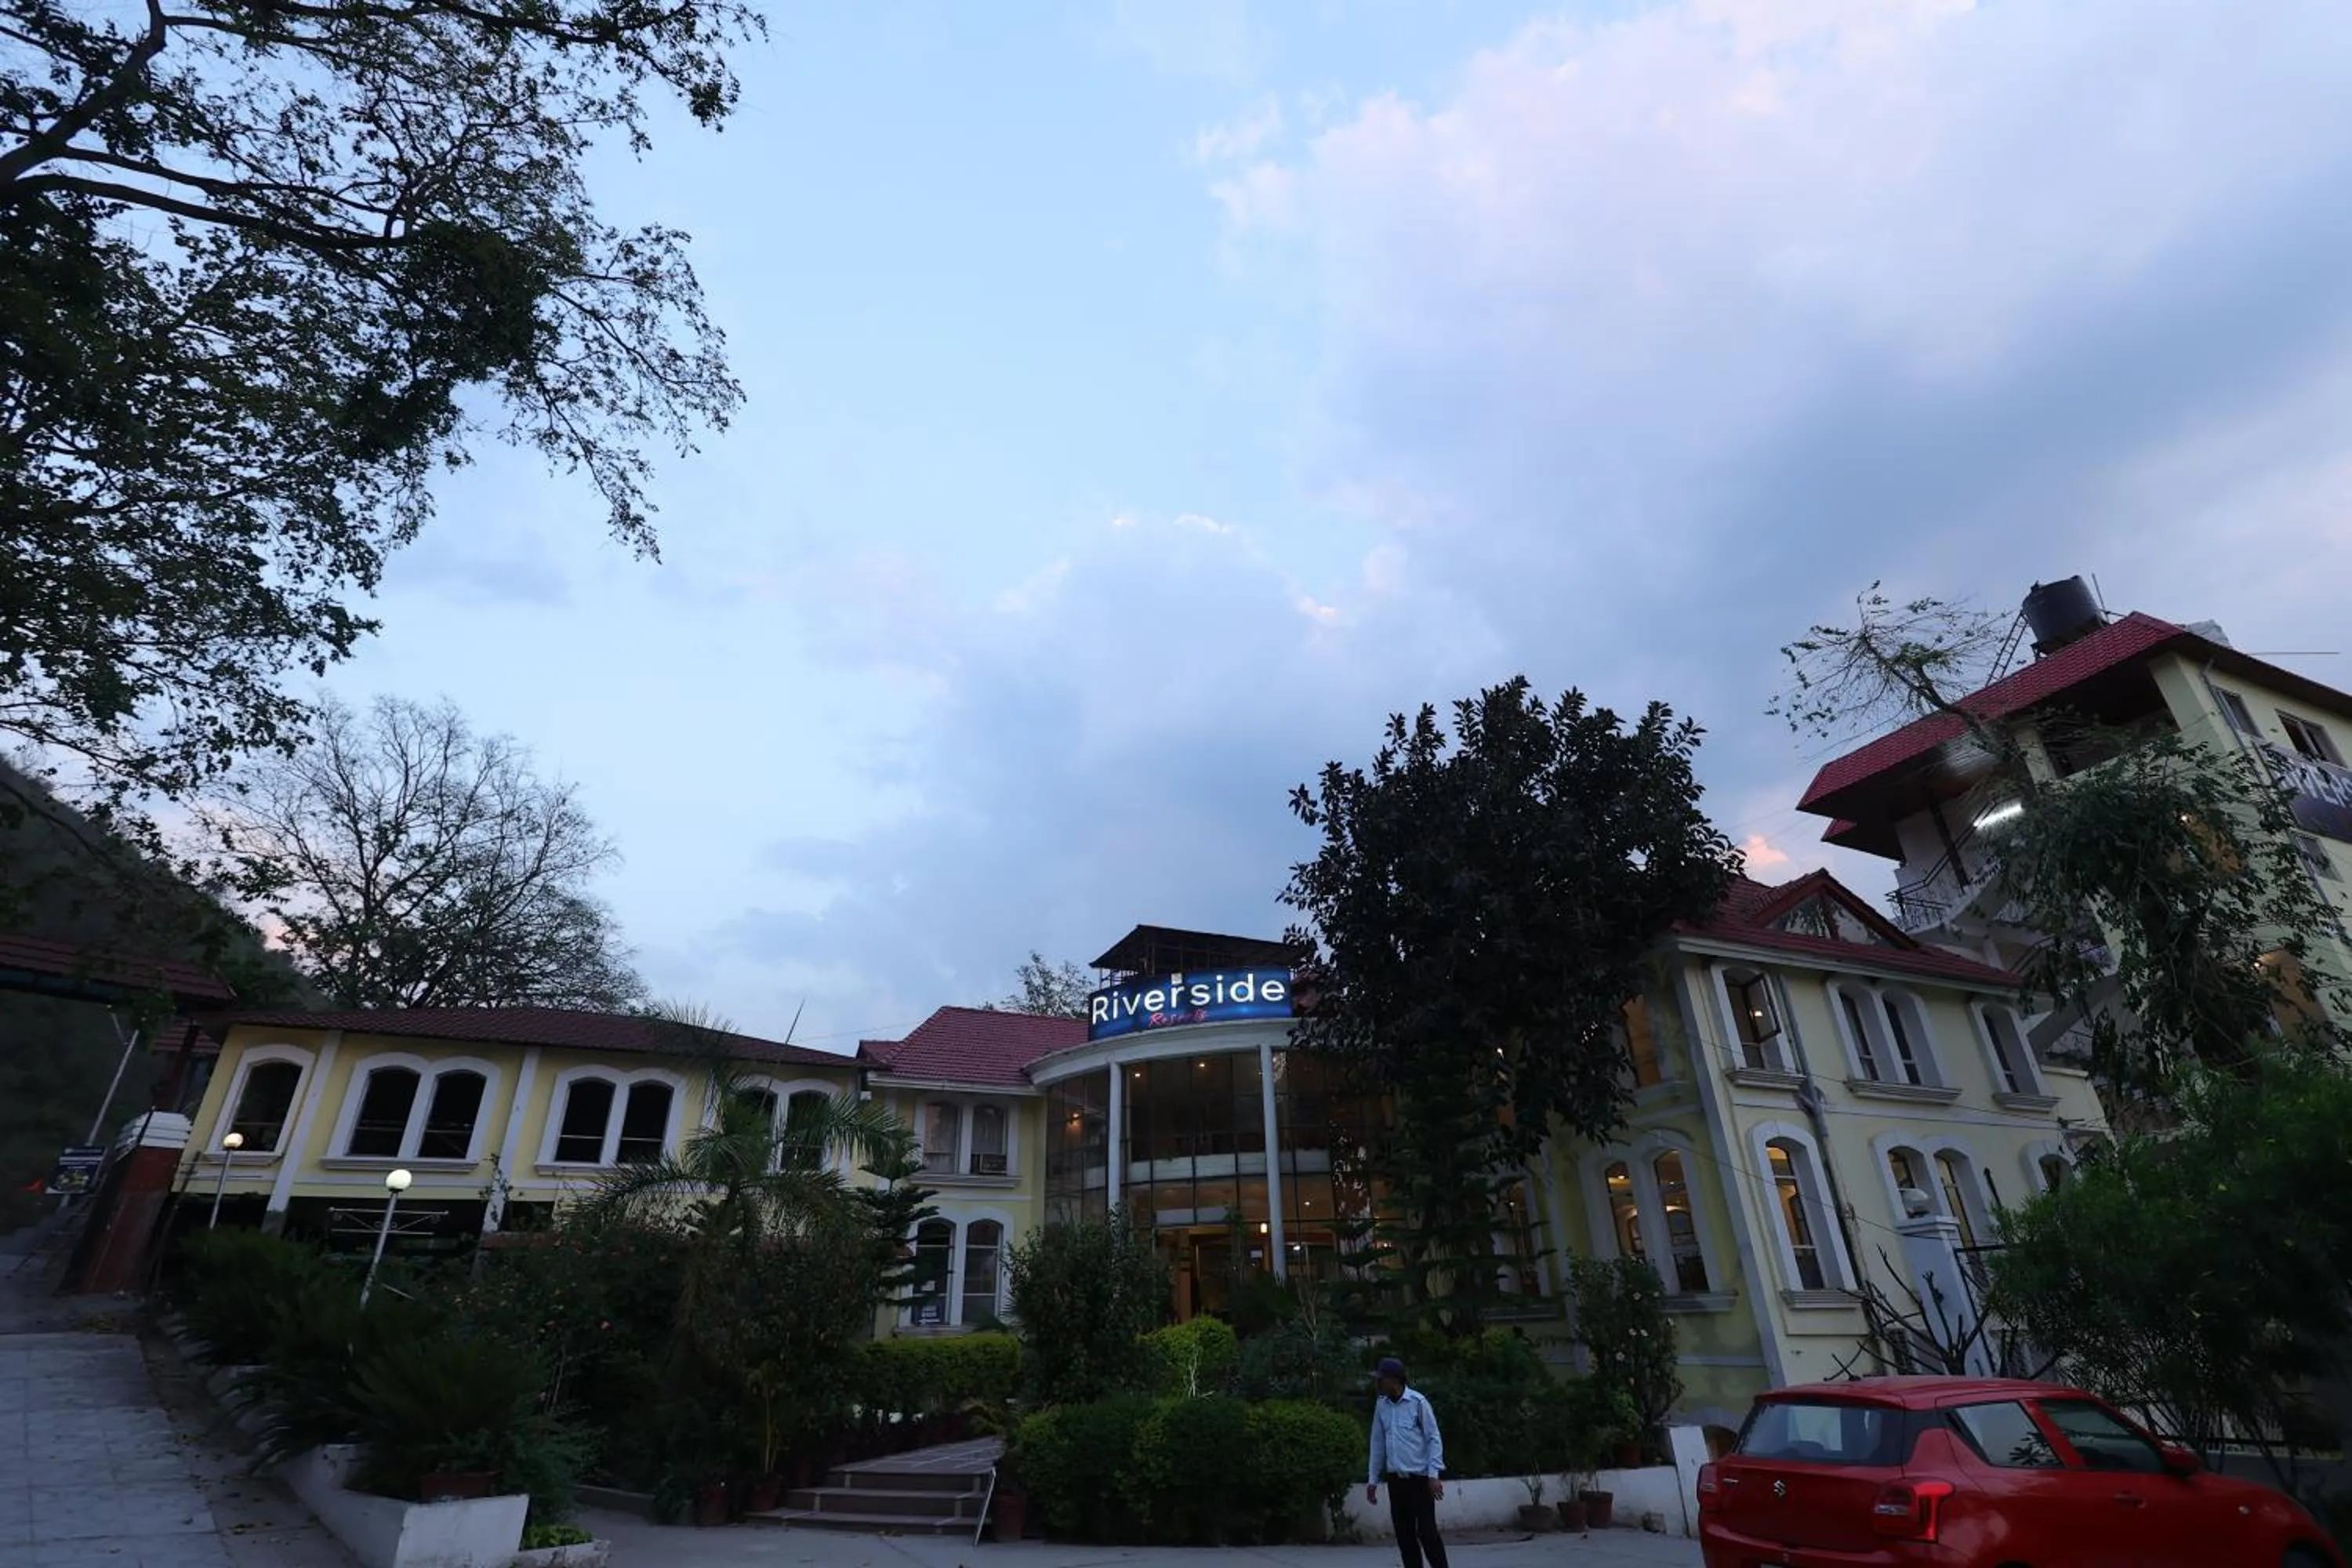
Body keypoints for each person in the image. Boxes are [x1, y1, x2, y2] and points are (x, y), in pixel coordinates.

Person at [1366, 1356, 1449, 1568]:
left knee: (1428, 1534)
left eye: (1381, 1379)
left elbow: (1433, 1439)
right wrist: (1372, 1480)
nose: (1378, 1383)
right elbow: (1377, 1444)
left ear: (1394, 1380)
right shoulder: (1381, 1406)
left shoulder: (1418, 1403)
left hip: (1419, 1480)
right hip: (1396, 1481)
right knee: (1405, 1537)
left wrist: (1433, 1475)